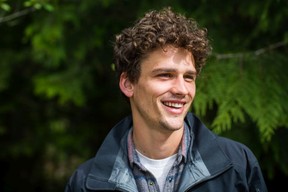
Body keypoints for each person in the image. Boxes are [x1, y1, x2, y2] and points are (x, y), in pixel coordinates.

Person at [65, 7, 268, 192]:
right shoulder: (84, 184)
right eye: (165, 75)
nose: (181, 89)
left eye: (188, 77)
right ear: (128, 84)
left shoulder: (239, 167)